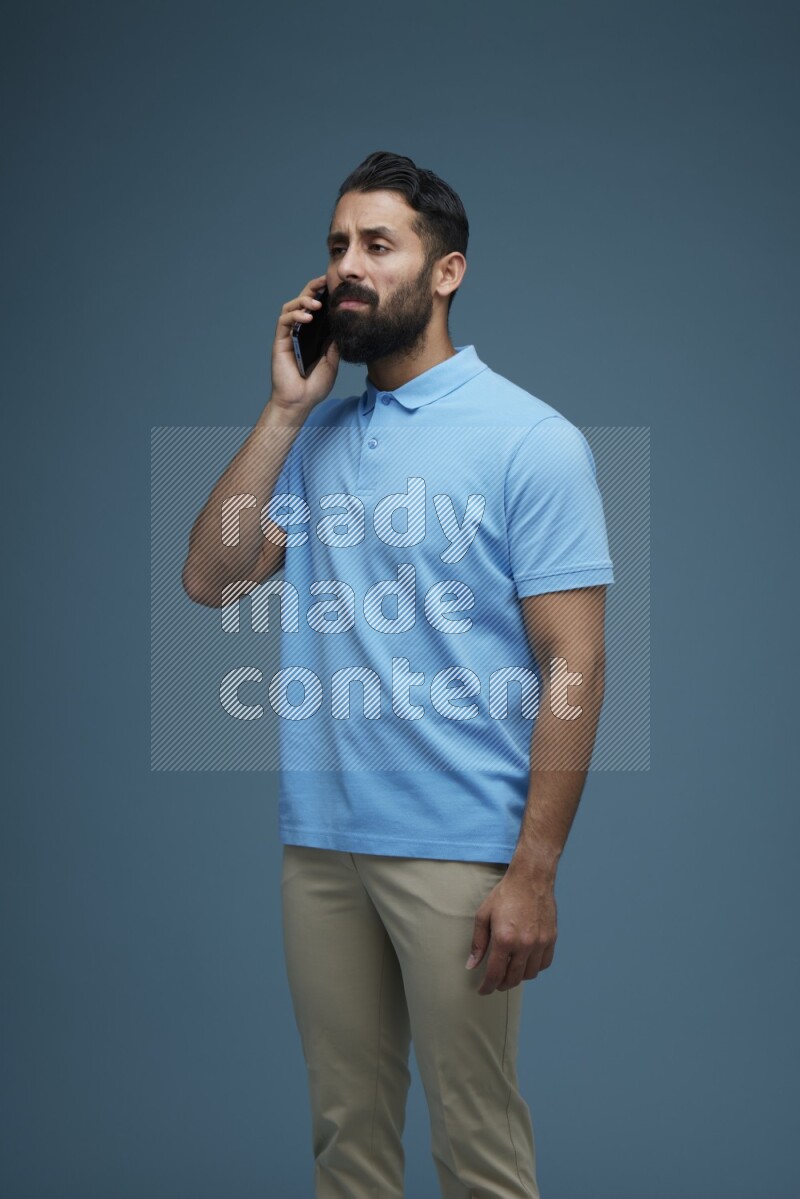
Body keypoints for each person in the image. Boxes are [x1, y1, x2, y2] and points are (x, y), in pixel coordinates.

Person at [182, 150, 614, 1199]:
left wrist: (533, 870)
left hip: (458, 848)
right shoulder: (319, 437)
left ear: (446, 270)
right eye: (336, 246)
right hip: (321, 841)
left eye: (377, 244)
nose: (346, 268)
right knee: (347, 1140)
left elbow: (575, 661)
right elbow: (211, 575)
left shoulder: (530, 440)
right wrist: (284, 411)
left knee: (476, 1150)